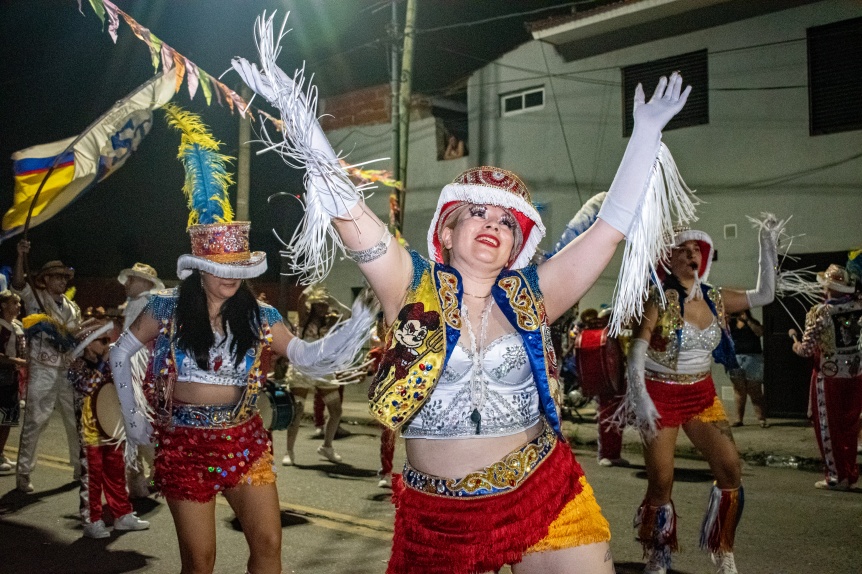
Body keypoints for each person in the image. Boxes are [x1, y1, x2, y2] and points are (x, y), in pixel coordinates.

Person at [237, 40, 695, 573]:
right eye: (477, 213)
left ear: (516, 243)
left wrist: (644, 134)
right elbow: (344, 208)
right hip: (438, 516)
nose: (493, 226)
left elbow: (609, 228)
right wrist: (301, 121)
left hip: (541, 490)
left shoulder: (534, 294)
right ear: (448, 231)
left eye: (506, 222)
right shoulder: (409, 285)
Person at [110, 105, 373, 574]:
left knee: (269, 545)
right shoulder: (165, 309)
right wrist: (135, 424)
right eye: (221, 268)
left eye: (238, 268)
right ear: (201, 271)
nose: (232, 276)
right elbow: (120, 354)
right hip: (185, 444)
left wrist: (352, 330)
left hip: (245, 440)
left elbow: (305, 356)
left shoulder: (259, 314)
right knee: (201, 560)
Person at [622, 220, 780, 574]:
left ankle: (723, 547)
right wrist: (641, 397)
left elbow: (765, 294)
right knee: (661, 480)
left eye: (697, 249)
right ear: (669, 259)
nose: (692, 253)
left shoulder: (717, 298)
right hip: (660, 396)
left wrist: (766, 245)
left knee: (730, 469)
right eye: (683, 248)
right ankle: (657, 551)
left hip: (701, 395)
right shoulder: (659, 298)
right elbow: (637, 349)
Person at [68, 318, 150, 538]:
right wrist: (104, 364)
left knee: (116, 474)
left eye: (108, 340)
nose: (107, 345)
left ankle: (122, 514)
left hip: (112, 428)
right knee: (92, 478)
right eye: (102, 340)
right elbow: (86, 386)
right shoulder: (77, 365)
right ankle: (91, 520)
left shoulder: (107, 365)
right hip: (90, 432)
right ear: (88, 343)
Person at [13, 247, 82, 493]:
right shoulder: (35, 296)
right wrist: (21, 255)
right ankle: (23, 473)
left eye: (64, 277)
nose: (62, 281)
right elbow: (18, 283)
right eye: (57, 276)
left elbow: (77, 336)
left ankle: (79, 466)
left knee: (75, 422)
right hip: (42, 367)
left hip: (66, 369)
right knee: (35, 420)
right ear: (46, 279)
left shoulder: (73, 308)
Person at [791, 263, 862, 491]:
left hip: (829, 377)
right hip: (855, 374)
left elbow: (806, 350)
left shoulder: (819, 313)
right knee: (850, 427)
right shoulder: (858, 307)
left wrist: (795, 343)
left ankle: (836, 476)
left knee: (828, 427)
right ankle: (849, 473)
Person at [283, 284, 346, 466]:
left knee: (336, 411)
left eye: (325, 304)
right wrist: (313, 287)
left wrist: (333, 301)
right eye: (319, 304)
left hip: (323, 371)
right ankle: (289, 451)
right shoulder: (303, 320)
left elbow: (348, 315)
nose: (323, 307)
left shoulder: (331, 322)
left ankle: (327, 446)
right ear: (313, 305)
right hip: (302, 370)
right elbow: (301, 299)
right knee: (297, 411)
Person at [117, 262, 164, 498]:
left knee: (135, 427)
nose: (127, 283)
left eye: (132, 279)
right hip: (141, 373)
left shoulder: (142, 304)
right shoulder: (142, 304)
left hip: (136, 374)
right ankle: (144, 478)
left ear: (145, 283)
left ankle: (146, 477)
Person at [0, 290, 26, 472]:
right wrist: (14, 361)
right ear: (3, 305)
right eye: (14, 303)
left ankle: (0, 453)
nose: (18, 307)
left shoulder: (17, 326)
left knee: (8, 418)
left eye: (19, 303)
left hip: (12, 376)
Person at [728, 310, 768, 428]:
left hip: (753, 358)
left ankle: (761, 419)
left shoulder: (753, 322)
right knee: (739, 390)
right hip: (736, 358)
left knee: (755, 389)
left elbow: (760, 332)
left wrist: (748, 320)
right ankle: (738, 419)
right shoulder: (731, 323)